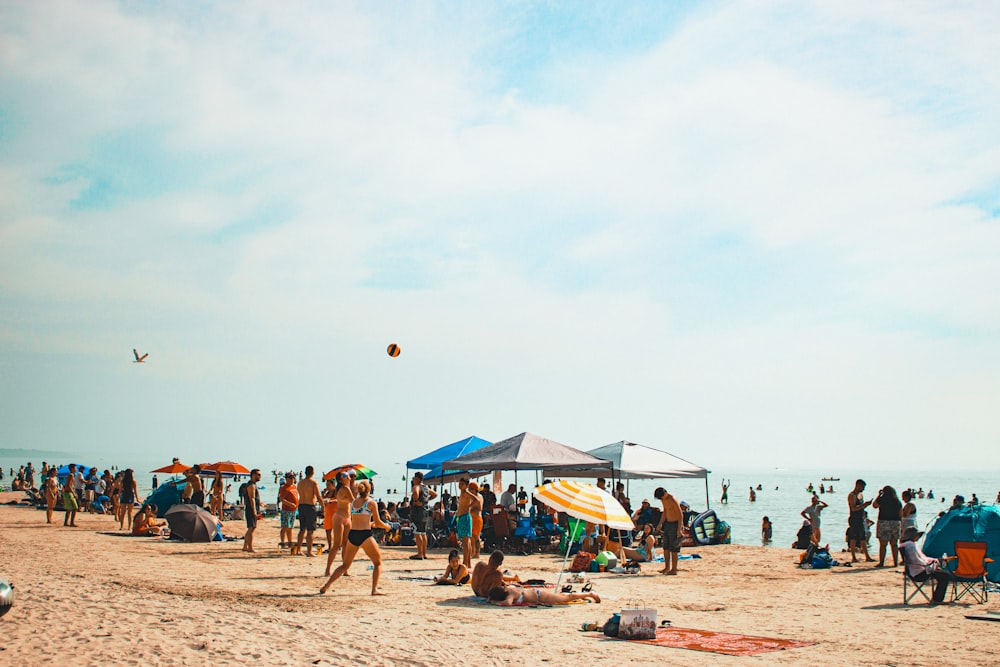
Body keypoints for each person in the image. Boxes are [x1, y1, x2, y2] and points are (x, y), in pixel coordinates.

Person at [319, 480, 391, 596]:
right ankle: (374, 589)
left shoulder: (353, 502)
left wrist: (371, 523)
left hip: (353, 534)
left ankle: (326, 586)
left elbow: (360, 518)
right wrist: (387, 526)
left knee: (345, 565)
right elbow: (378, 522)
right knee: (377, 562)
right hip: (365, 535)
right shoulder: (371, 503)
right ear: (369, 490)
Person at [900, 526, 951, 604]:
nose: (918, 537)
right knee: (944, 576)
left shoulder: (906, 545)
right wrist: (931, 564)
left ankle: (937, 599)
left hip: (913, 571)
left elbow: (919, 559)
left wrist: (934, 560)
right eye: (917, 535)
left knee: (942, 574)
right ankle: (937, 599)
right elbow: (916, 560)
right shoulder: (911, 545)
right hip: (918, 572)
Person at [324, 472, 354, 576]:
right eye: (345, 476)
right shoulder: (345, 488)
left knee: (345, 544)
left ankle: (345, 569)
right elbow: (353, 501)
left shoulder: (345, 488)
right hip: (340, 517)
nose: (348, 477)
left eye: (348, 475)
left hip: (347, 517)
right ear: (341, 480)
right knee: (337, 544)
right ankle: (327, 569)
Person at [654, 487, 683, 575]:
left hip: (675, 524)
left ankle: (674, 569)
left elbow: (680, 515)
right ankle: (667, 568)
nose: (662, 499)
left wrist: (679, 529)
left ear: (665, 493)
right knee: (665, 547)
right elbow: (665, 511)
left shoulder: (672, 499)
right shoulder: (663, 499)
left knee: (674, 548)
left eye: (662, 497)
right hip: (668, 524)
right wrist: (660, 524)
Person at [294, 465, 322, 557]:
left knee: (302, 529)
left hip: (301, 506)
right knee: (310, 531)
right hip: (310, 506)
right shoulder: (313, 483)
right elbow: (318, 496)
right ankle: (309, 551)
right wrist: (323, 507)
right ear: (312, 472)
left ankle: (298, 549)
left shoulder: (300, 483)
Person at [488, 583, 600, 605]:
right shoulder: (509, 588)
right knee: (564, 597)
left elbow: (508, 603)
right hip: (537, 594)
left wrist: (495, 601)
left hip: (540, 596)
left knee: (566, 598)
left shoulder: (509, 595)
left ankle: (591, 593)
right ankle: (585, 595)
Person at [872, 485, 902, 568]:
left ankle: (881, 562)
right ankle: (895, 563)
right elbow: (901, 514)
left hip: (883, 522)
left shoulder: (882, 499)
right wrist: (901, 525)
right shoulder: (897, 501)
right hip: (895, 522)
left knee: (883, 544)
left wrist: (879, 496)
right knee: (894, 544)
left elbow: (874, 505)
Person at [409, 472, 436, 560]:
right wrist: (426, 501)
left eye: (414, 478)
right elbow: (435, 494)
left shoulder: (416, 487)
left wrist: (416, 500)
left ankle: (419, 553)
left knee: (417, 533)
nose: (413, 480)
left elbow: (416, 493)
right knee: (423, 533)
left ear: (417, 479)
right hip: (424, 512)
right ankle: (424, 553)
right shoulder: (426, 487)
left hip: (417, 512)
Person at [847, 479, 874, 563]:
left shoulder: (860, 495)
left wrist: (865, 505)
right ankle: (853, 557)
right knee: (853, 537)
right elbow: (853, 508)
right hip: (854, 518)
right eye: (862, 487)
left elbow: (860, 507)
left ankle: (867, 556)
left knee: (863, 537)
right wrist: (864, 505)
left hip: (860, 518)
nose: (863, 489)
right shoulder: (852, 495)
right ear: (858, 485)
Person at [455, 478, 475, 568]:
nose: (460, 486)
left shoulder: (467, 493)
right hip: (461, 517)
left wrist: (468, 507)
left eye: (462, 484)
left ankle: (466, 561)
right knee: (465, 541)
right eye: (459, 484)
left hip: (465, 516)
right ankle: (467, 562)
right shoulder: (462, 494)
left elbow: (476, 499)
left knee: (466, 541)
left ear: (466, 485)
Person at [242, 469, 262, 552]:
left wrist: (260, 503)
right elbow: (252, 499)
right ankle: (250, 547)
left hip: (252, 508)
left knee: (251, 528)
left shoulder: (253, 485)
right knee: (251, 528)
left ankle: (245, 546)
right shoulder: (251, 485)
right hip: (251, 509)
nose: (260, 476)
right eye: (258, 474)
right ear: (253, 475)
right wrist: (254, 511)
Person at [278, 473, 298, 552]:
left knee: (290, 527)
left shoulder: (294, 486)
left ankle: (290, 542)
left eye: (293, 478)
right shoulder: (284, 488)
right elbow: (282, 499)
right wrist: (290, 504)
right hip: (286, 510)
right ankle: (283, 542)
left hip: (293, 510)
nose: (292, 479)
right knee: (284, 527)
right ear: (287, 479)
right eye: (291, 478)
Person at [469, 481, 484, 560]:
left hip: (477, 518)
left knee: (476, 537)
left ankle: (477, 553)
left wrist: (471, 506)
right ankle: (473, 552)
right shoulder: (470, 497)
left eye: (472, 489)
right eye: (470, 489)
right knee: (471, 536)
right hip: (471, 518)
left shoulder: (479, 497)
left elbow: (479, 507)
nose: (471, 491)